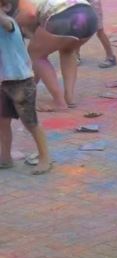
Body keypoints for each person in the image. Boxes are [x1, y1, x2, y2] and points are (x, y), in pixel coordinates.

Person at [14, 0, 99, 111]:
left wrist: (13, 23)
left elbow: (30, 14)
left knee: (36, 54)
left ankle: (59, 102)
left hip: (64, 18)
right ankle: (69, 98)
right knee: (68, 50)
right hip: (89, 16)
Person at [0, 0, 52, 175]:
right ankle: (5, 158)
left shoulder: (9, 23)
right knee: (2, 121)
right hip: (4, 81)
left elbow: (7, 25)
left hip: (21, 80)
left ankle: (45, 158)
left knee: (30, 122)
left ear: (5, 7)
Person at [86, 0, 117, 68]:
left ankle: (110, 57)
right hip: (81, 3)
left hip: (92, 4)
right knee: (78, 31)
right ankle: (76, 56)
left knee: (100, 32)